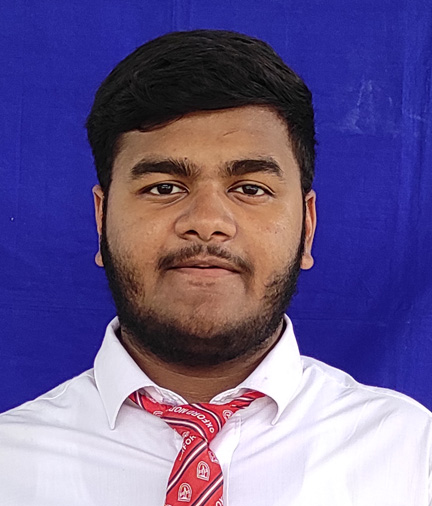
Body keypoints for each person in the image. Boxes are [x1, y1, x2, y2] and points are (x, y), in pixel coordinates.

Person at [0, 29, 430, 506]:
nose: (206, 222)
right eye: (164, 188)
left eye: (250, 189)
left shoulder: (413, 455)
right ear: (101, 221)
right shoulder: (8, 464)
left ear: (307, 227)